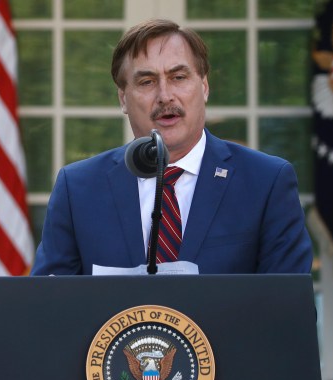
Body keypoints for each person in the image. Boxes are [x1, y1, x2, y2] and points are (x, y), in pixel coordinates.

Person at [31, 19, 312, 275]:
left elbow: (290, 313)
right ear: (123, 99)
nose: (165, 96)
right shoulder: (78, 189)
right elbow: (46, 311)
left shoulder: (266, 182)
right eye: (147, 81)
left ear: (204, 86)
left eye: (178, 77)